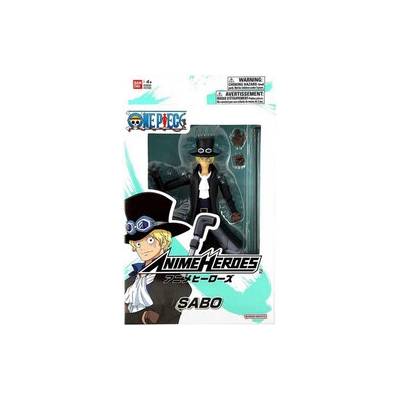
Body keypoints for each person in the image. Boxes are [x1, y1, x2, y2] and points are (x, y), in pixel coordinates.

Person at [150, 136, 243, 254]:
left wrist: (234, 211)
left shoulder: (218, 177)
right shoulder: (191, 177)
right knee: (194, 236)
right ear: (198, 159)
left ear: (211, 159)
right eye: (202, 158)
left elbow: (227, 196)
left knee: (221, 236)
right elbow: (167, 187)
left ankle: (232, 251)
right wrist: (156, 177)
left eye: (207, 158)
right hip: (196, 213)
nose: (205, 160)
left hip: (212, 212)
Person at [124, 191, 192, 324]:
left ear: (163, 240)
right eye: (138, 243)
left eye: (150, 240)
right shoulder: (129, 282)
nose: (142, 248)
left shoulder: (177, 285)